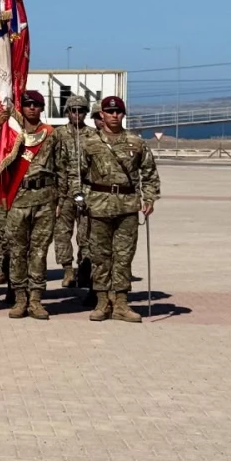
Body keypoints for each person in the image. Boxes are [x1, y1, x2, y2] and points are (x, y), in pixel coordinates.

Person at [77, 95, 161, 322]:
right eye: (110, 111)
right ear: (101, 115)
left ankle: (121, 303)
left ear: (124, 114)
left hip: (127, 206)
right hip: (98, 205)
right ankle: (103, 302)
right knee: (100, 256)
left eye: (119, 111)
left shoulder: (136, 142)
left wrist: (149, 198)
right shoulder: (89, 143)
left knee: (124, 256)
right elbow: (77, 175)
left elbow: (149, 172)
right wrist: (81, 199)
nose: (114, 115)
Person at [0, 90, 67, 319]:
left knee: (39, 253)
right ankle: (20, 298)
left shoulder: (52, 135)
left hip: (44, 200)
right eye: (28, 104)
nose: (32, 107)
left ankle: (36, 300)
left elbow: (63, 168)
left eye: (37, 104)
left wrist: (61, 200)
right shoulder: (12, 133)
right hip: (18, 199)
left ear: (42, 108)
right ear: (21, 108)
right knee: (17, 252)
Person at [54, 94, 91, 287]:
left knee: (86, 234)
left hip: (86, 191)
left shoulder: (93, 135)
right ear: (67, 112)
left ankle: (84, 270)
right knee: (62, 233)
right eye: (73, 110)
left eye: (81, 111)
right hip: (64, 191)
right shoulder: (57, 134)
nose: (77, 114)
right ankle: (67, 271)